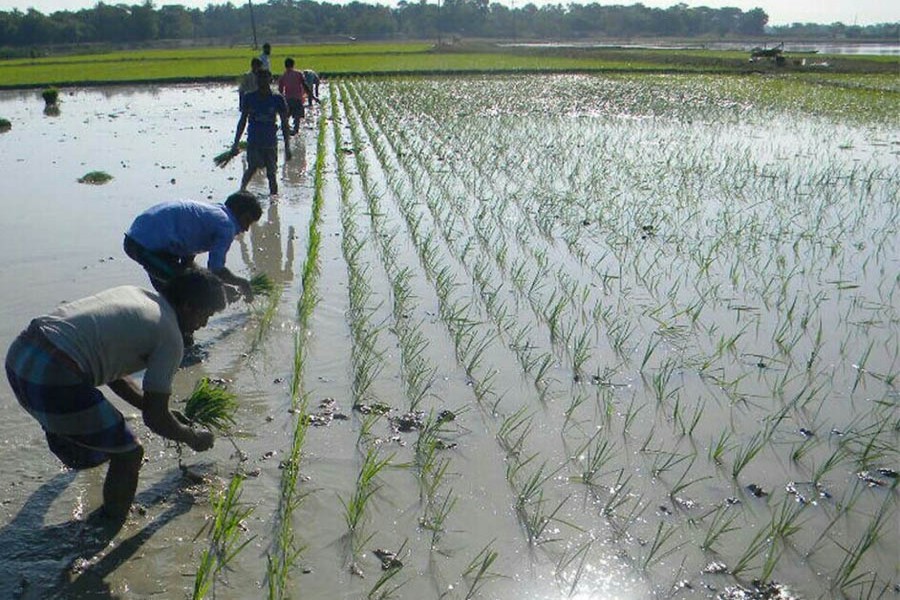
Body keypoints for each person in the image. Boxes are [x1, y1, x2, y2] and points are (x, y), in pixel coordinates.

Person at [4, 270, 227, 522]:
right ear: (188, 306)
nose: (204, 324)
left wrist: (147, 405)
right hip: (55, 375)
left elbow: (111, 369)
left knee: (98, 438)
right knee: (129, 453)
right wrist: (192, 436)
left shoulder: (135, 295)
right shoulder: (170, 336)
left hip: (21, 355)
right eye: (205, 315)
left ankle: (75, 449)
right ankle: (108, 526)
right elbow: (155, 419)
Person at [123, 191, 263, 301]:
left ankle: (176, 331)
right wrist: (242, 283)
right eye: (247, 221)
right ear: (238, 213)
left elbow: (188, 264)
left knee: (171, 296)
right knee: (187, 289)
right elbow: (216, 269)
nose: (246, 229)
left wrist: (220, 286)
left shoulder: (212, 214)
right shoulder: (226, 226)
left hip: (146, 242)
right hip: (143, 246)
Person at [232, 69, 292, 195]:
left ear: (271, 80)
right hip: (254, 140)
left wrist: (287, 146)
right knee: (252, 168)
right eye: (260, 78)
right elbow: (242, 121)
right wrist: (236, 143)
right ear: (256, 80)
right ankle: (241, 192)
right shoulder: (249, 97)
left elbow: (285, 123)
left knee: (271, 173)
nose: (262, 81)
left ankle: (274, 201)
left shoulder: (277, 98)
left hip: (270, 142)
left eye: (265, 78)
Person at [278, 58, 318, 135]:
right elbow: (305, 85)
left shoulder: (283, 76)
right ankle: (295, 131)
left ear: (285, 66)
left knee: (286, 116)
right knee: (297, 116)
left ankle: (286, 130)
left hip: (288, 99)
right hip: (297, 99)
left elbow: (280, 91)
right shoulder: (298, 74)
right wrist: (313, 97)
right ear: (293, 65)